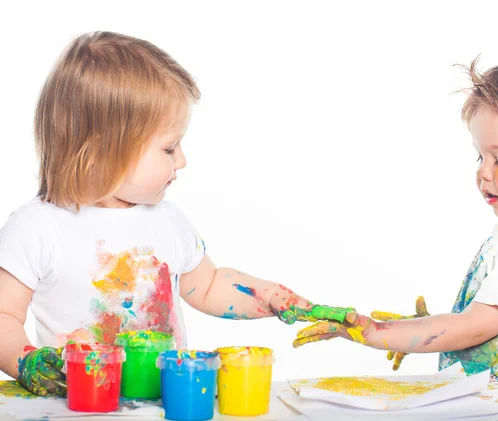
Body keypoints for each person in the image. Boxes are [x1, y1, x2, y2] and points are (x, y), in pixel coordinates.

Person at [0, 31, 341, 396]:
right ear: (101, 152)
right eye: (169, 148)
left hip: (168, 405)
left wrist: (271, 296)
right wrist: (27, 362)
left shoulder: (167, 221)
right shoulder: (36, 228)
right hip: (83, 406)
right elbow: (5, 317)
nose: (182, 160)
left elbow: (208, 286)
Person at [293, 57, 498, 387]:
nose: (483, 171)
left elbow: (473, 327)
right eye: (480, 156)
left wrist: (378, 333)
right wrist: (424, 332)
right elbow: (481, 332)